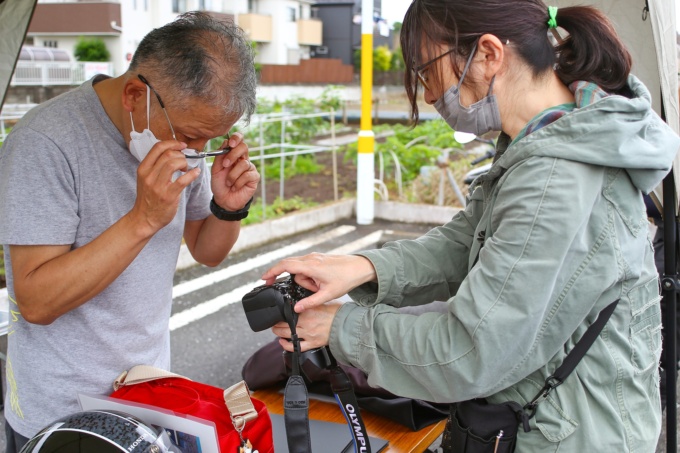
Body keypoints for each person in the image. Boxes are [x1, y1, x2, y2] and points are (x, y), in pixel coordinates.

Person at [262, 1, 680, 451]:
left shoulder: (555, 179)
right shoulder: (545, 138)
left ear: (487, 55)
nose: (426, 95)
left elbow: (468, 351)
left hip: (574, 436)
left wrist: (342, 328)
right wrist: (362, 267)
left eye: (426, 72)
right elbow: (465, 241)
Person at [0, 11, 259, 452]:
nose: (196, 153)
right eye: (192, 136)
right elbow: (36, 301)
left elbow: (206, 250)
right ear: (135, 95)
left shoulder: (181, 143)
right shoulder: (45, 142)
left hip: (149, 394)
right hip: (60, 414)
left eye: (210, 140)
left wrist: (227, 209)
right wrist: (143, 219)